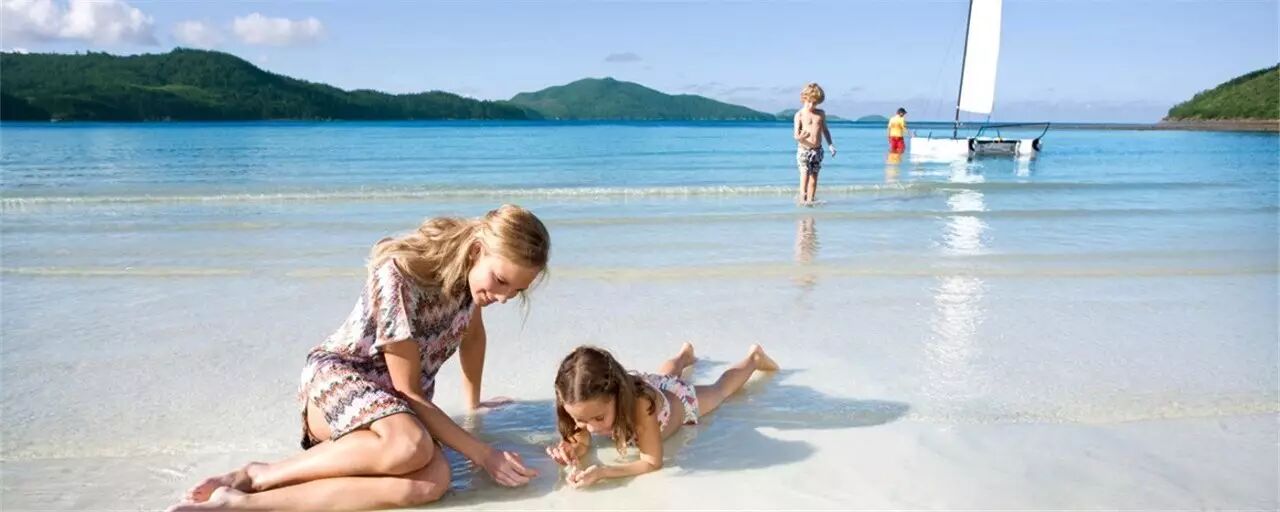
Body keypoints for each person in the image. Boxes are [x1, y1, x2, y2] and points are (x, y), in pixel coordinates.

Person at [170, 204, 551, 511]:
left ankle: (244, 505)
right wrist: (483, 454)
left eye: (516, 291)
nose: (503, 297)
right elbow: (407, 390)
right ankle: (258, 475)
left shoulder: (470, 284)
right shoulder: (400, 275)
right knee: (409, 446)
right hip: (338, 383)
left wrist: (473, 406)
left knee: (432, 482)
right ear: (476, 251)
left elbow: (473, 335)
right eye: (501, 281)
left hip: (399, 412)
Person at [546, 343, 778, 488]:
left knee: (720, 391)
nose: (591, 428)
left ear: (618, 394)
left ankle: (753, 359)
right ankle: (684, 354)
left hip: (680, 402)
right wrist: (574, 449)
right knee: (665, 376)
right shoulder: (582, 401)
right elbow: (583, 438)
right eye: (581, 419)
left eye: (599, 418)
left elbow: (651, 462)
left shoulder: (640, 406)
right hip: (653, 386)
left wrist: (603, 472)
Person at [793, 83, 836, 205]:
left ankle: (810, 200)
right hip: (804, 149)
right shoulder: (799, 115)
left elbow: (825, 130)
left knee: (814, 176)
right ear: (804, 98)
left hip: (817, 150)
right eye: (809, 102)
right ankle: (802, 199)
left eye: (815, 103)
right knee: (804, 174)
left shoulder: (820, 114)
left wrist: (830, 145)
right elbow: (795, 135)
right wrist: (801, 137)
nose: (812, 105)